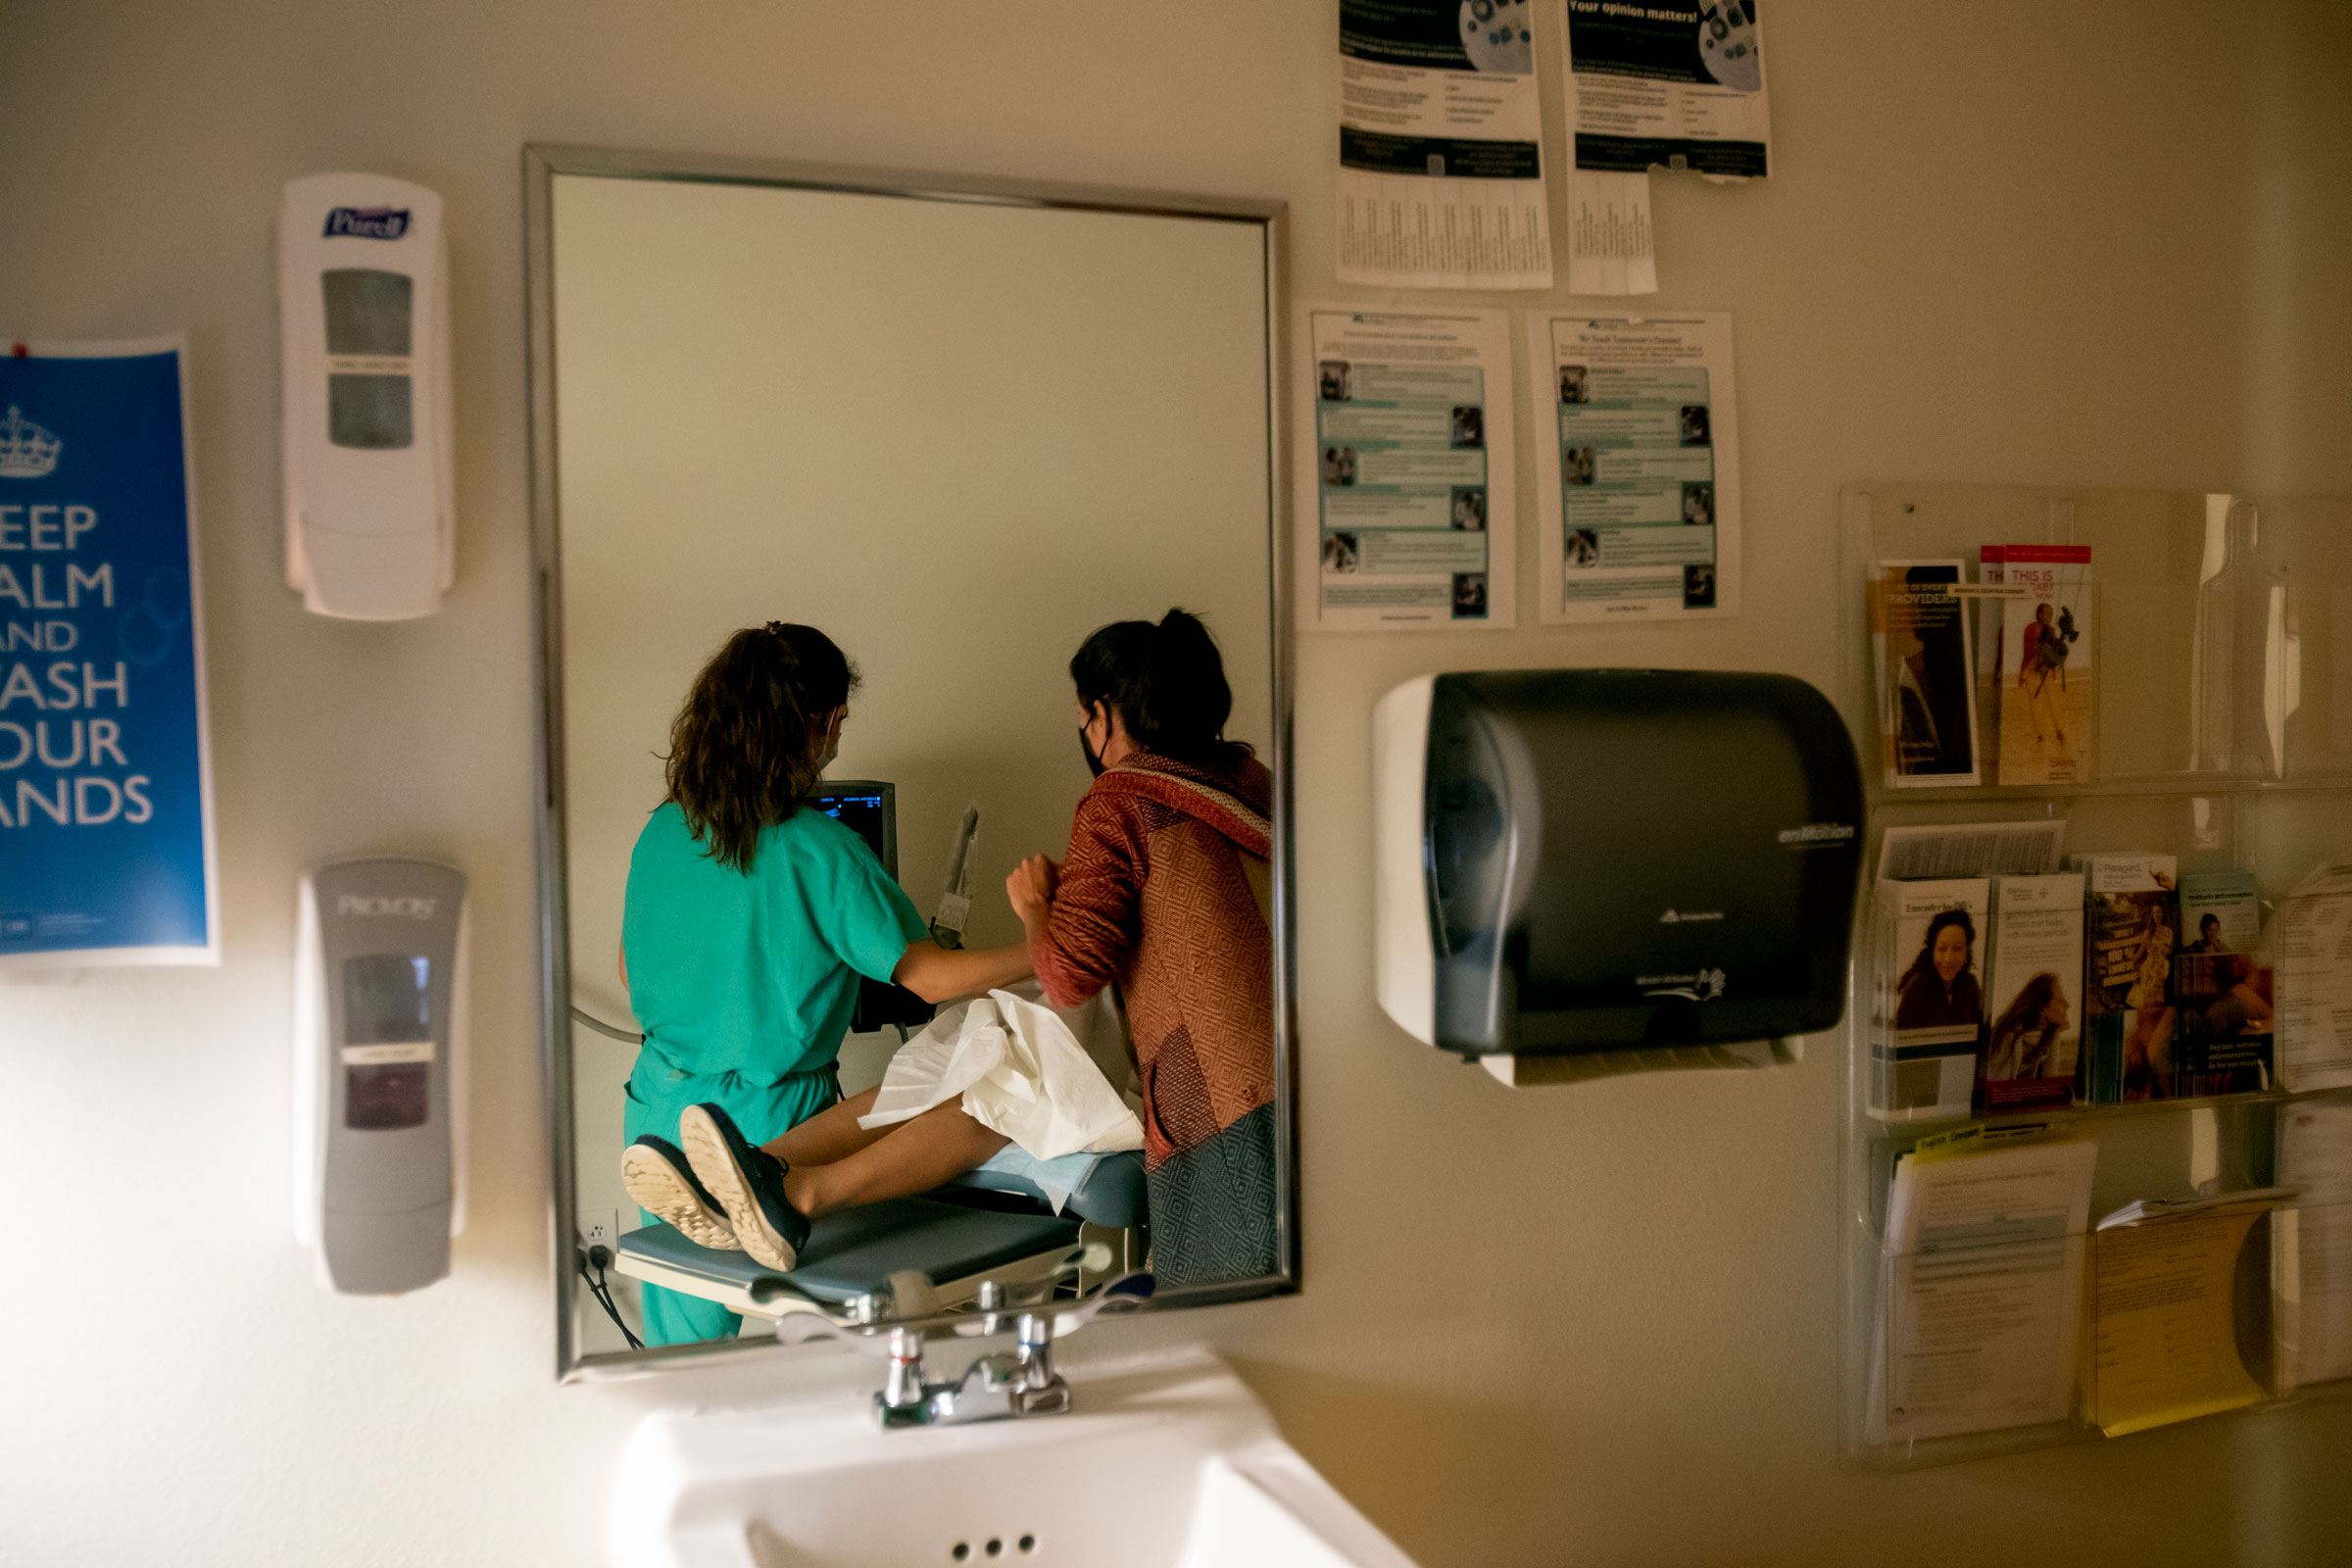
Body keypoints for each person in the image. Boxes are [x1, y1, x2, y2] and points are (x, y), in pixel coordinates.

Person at [612, 623, 1034, 1346]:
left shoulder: (661, 831)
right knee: (815, 1337)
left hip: (658, 1111)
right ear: (823, 722)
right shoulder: (822, 851)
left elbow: (631, 970)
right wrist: (1040, 949)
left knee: (683, 1350)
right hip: (774, 1125)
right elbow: (929, 979)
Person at [1008, 610, 1277, 1288]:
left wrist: (1035, 908)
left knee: (1229, 1312)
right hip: (1318, 1080)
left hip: (1221, 1106)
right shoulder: (1254, 782)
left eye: (1081, 714)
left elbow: (1068, 977)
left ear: (1101, 713)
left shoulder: (1118, 802)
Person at [1894, 908, 1982, 1031]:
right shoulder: (1918, 986)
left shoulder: (1970, 985)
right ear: (1932, 952)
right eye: (1942, 949)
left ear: (1967, 952)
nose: (1949, 958)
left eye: (1957, 949)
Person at [1983, 971, 2070, 1083]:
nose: (2067, 1005)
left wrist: (2056, 1034)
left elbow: (2050, 1080)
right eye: (2059, 1001)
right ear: (2042, 1008)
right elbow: (1993, 1079)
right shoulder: (2008, 1035)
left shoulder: (2046, 1035)